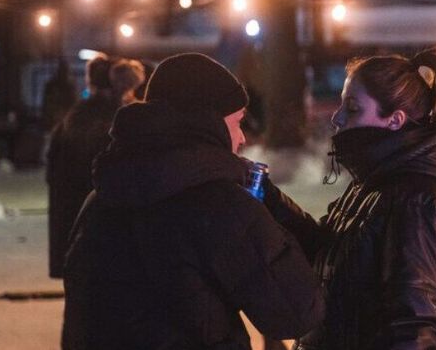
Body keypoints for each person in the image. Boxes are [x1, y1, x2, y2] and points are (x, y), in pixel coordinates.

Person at [61, 53, 324, 349]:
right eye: (236, 122)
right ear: (207, 122)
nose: (242, 139)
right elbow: (295, 312)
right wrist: (267, 207)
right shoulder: (219, 204)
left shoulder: (100, 199)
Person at [262, 48, 436, 349]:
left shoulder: (417, 200)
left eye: (352, 108)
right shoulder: (377, 185)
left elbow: (414, 330)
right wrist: (265, 196)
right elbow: (327, 253)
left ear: (394, 120)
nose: (337, 118)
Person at [45, 54, 115, 279]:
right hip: (102, 204)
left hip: (74, 202)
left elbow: (54, 163)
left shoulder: (76, 116)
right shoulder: (118, 115)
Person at [41, 59, 78, 131]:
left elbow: (73, 105)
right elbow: (46, 105)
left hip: (63, 123)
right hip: (55, 123)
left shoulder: (69, 87)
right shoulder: (52, 86)